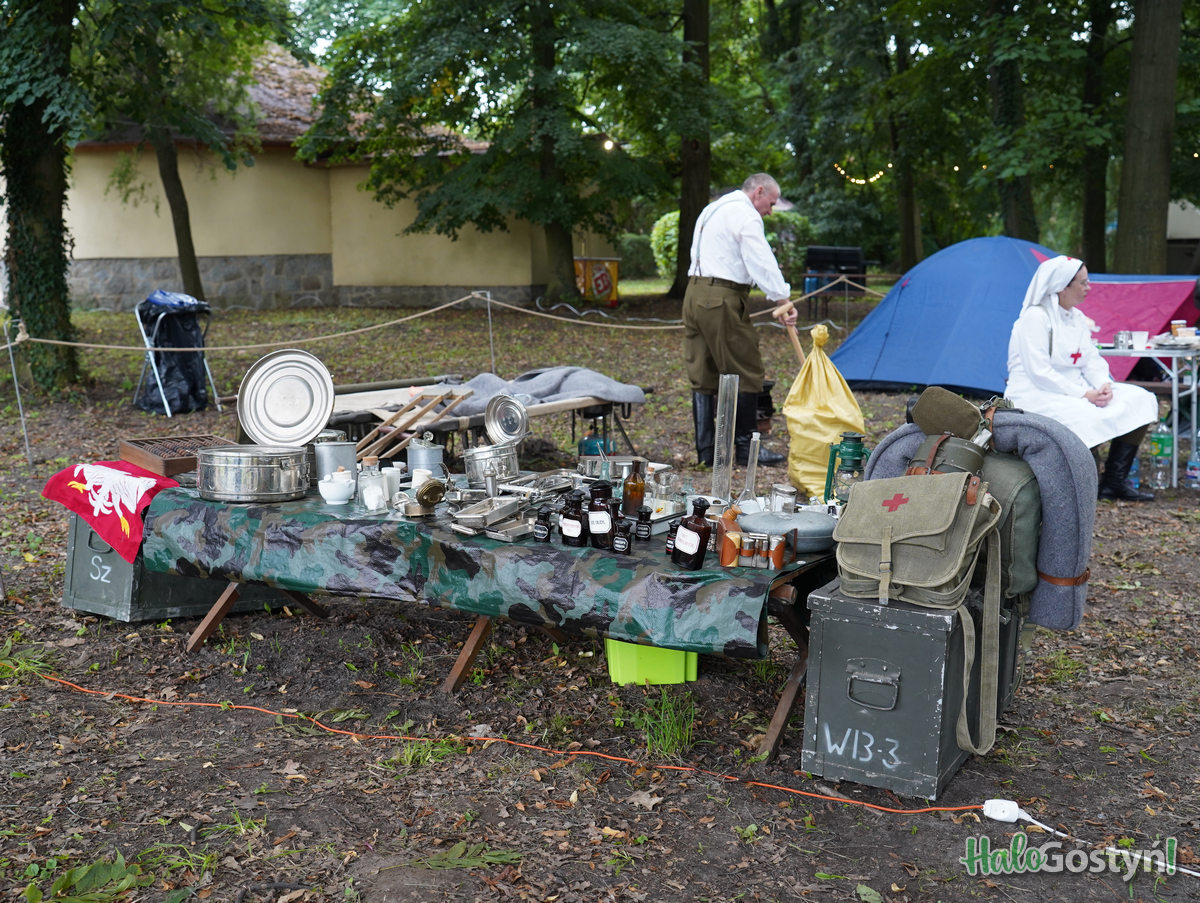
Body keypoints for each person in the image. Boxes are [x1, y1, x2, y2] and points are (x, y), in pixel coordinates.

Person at [1005, 255, 1159, 501]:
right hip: (1036, 393)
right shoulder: (1035, 318)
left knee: (1140, 399)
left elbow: (1090, 360)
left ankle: (1114, 481)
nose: (1089, 287)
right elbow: (1039, 372)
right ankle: (1086, 482)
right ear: (1062, 287)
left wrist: (1103, 384)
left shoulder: (1076, 317)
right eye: (1083, 282)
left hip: (1079, 390)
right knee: (1082, 414)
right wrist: (1085, 394)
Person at [683, 173, 798, 467]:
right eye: (771, 203)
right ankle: (746, 449)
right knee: (746, 370)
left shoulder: (713, 208)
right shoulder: (745, 215)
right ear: (758, 192)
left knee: (703, 373)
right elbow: (760, 260)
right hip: (721, 298)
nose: (771, 211)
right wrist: (783, 299)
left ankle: (706, 454)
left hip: (694, 294)